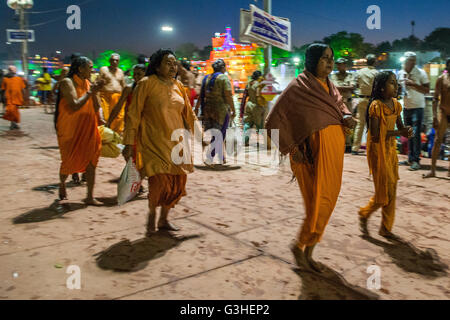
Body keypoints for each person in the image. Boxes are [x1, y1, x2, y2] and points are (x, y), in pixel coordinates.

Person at [265, 44, 356, 272]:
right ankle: (300, 247)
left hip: (334, 155)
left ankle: (308, 250)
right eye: (324, 58)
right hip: (308, 157)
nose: (330, 62)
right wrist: (292, 149)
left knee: (327, 202)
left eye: (331, 59)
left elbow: (340, 106)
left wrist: (346, 116)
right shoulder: (298, 87)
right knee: (316, 205)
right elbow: (273, 121)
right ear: (312, 60)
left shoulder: (330, 86)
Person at [122, 49, 199, 236]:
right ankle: (151, 214)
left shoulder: (179, 85)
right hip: (153, 141)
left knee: (177, 181)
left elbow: (189, 113)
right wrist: (128, 143)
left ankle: (164, 218)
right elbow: (133, 114)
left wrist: (201, 135)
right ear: (157, 66)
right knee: (160, 180)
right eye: (168, 63)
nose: (173, 66)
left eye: (175, 63)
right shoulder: (146, 84)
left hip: (178, 142)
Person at [359, 72, 413, 239]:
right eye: (392, 83)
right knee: (384, 192)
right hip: (377, 151)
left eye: (396, 83)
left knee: (392, 189)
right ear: (381, 87)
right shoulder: (376, 105)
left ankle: (385, 227)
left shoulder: (396, 105)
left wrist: (406, 131)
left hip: (390, 150)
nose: (396, 86)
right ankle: (364, 213)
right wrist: (399, 132)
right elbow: (375, 135)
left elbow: (400, 126)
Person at [55, 56, 105, 204]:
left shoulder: (88, 83)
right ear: (80, 68)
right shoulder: (67, 82)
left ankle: (89, 196)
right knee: (68, 160)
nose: (92, 70)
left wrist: (95, 92)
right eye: (89, 67)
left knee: (92, 160)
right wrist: (91, 92)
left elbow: (96, 107)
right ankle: (62, 183)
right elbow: (74, 105)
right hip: (71, 128)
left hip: (88, 127)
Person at [196, 59, 236, 165]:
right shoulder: (224, 77)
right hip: (221, 111)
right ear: (223, 68)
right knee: (219, 135)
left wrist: (197, 108)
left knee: (215, 134)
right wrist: (233, 109)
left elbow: (201, 95)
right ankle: (210, 156)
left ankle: (221, 157)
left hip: (208, 110)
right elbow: (228, 95)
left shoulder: (206, 78)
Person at [398, 51, 430, 171]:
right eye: (408, 60)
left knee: (416, 133)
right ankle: (410, 158)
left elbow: (427, 89)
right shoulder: (401, 73)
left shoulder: (421, 73)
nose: (410, 62)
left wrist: (414, 84)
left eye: (412, 60)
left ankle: (416, 160)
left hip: (418, 107)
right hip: (407, 106)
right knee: (409, 133)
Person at [423, 58, 450, 178]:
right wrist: (434, 116)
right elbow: (435, 98)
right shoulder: (441, 79)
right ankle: (433, 170)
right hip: (443, 112)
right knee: (438, 140)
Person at [352, 54, 378, 155]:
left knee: (360, 124)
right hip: (372, 100)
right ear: (374, 62)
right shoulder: (376, 73)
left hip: (361, 99)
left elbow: (356, 85)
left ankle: (355, 148)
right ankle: (372, 147)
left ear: (366, 61)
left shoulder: (360, 72)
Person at [330, 58, 356, 152]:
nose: (339, 66)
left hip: (348, 102)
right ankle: (338, 142)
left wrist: (339, 88)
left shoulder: (351, 75)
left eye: (341, 64)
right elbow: (333, 88)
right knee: (337, 123)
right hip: (337, 103)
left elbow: (352, 87)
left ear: (345, 65)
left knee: (348, 122)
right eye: (338, 64)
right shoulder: (333, 76)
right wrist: (346, 87)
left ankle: (348, 144)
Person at [98, 53, 126, 133]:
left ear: (119, 62)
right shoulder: (104, 69)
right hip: (105, 96)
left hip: (118, 96)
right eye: (113, 60)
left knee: (119, 117)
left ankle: (116, 136)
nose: (114, 62)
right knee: (105, 117)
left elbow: (123, 85)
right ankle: (107, 135)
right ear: (109, 61)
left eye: (116, 60)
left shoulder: (120, 71)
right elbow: (98, 83)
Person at [240, 70, 267, 146]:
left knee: (247, 123)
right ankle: (265, 142)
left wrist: (241, 110)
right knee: (259, 125)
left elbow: (244, 97)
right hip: (257, 106)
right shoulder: (260, 84)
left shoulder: (249, 84)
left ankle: (245, 141)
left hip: (249, 105)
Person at [1, 66, 26, 130]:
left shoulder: (19, 79)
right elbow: (3, 89)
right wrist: (3, 97)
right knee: (11, 111)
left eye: (13, 70)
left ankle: (14, 124)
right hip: (9, 98)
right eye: (10, 70)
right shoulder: (5, 79)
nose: (11, 72)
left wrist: (24, 96)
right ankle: (13, 124)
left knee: (15, 111)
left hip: (17, 97)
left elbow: (23, 88)